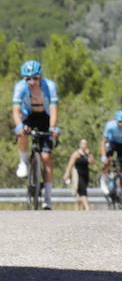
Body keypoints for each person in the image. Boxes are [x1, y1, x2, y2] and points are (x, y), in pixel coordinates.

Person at [12, 59, 59, 209]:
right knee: (22, 133)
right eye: (28, 78)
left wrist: (52, 128)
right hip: (29, 116)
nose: (31, 82)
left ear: (41, 76)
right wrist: (19, 126)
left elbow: (53, 109)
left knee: (46, 158)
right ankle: (24, 161)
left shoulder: (50, 86)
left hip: (45, 118)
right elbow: (16, 110)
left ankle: (47, 199)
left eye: (35, 78)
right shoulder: (20, 87)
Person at [63, 138, 92, 211]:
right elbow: (70, 164)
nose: (84, 145)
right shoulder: (76, 154)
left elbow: (92, 161)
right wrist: (67, 174)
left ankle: (78, 208)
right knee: (82, 191)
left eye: (85, 144)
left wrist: (89, 154)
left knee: (80, 192)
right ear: (80, 144)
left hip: (86, 174)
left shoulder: (87, 154)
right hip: (78, 175)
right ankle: (87, 207)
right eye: (83, 143)